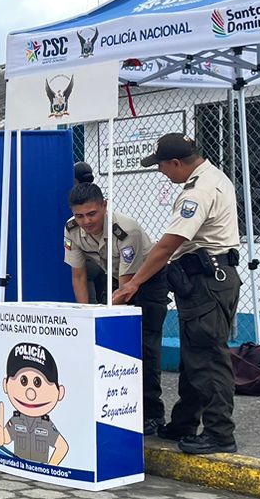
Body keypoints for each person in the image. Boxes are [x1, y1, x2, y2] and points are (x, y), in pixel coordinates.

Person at [113, 133, 242, 456]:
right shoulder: (215, 177)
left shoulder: (198, 192)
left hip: (206, 280)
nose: (161, 172)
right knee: (194, 355)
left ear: (175, 163)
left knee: (208, 358)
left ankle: (219, 433)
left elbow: (168, 244)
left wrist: (133, 283)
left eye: (161, 166)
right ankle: (184, 423)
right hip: (210, 278)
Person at [64, 162, 169, 436]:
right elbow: (78, 276)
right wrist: (85, 317)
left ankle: (151, 414)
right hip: (116, 282)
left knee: (143, 348)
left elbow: (127, 286)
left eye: (92, 214)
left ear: (105, 206)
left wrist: (103, 319)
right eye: (79, 215)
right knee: (110, 349)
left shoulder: (125, 230)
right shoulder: (71, 229)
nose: (86, 221)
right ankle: (116, 408)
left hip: (145, 284)